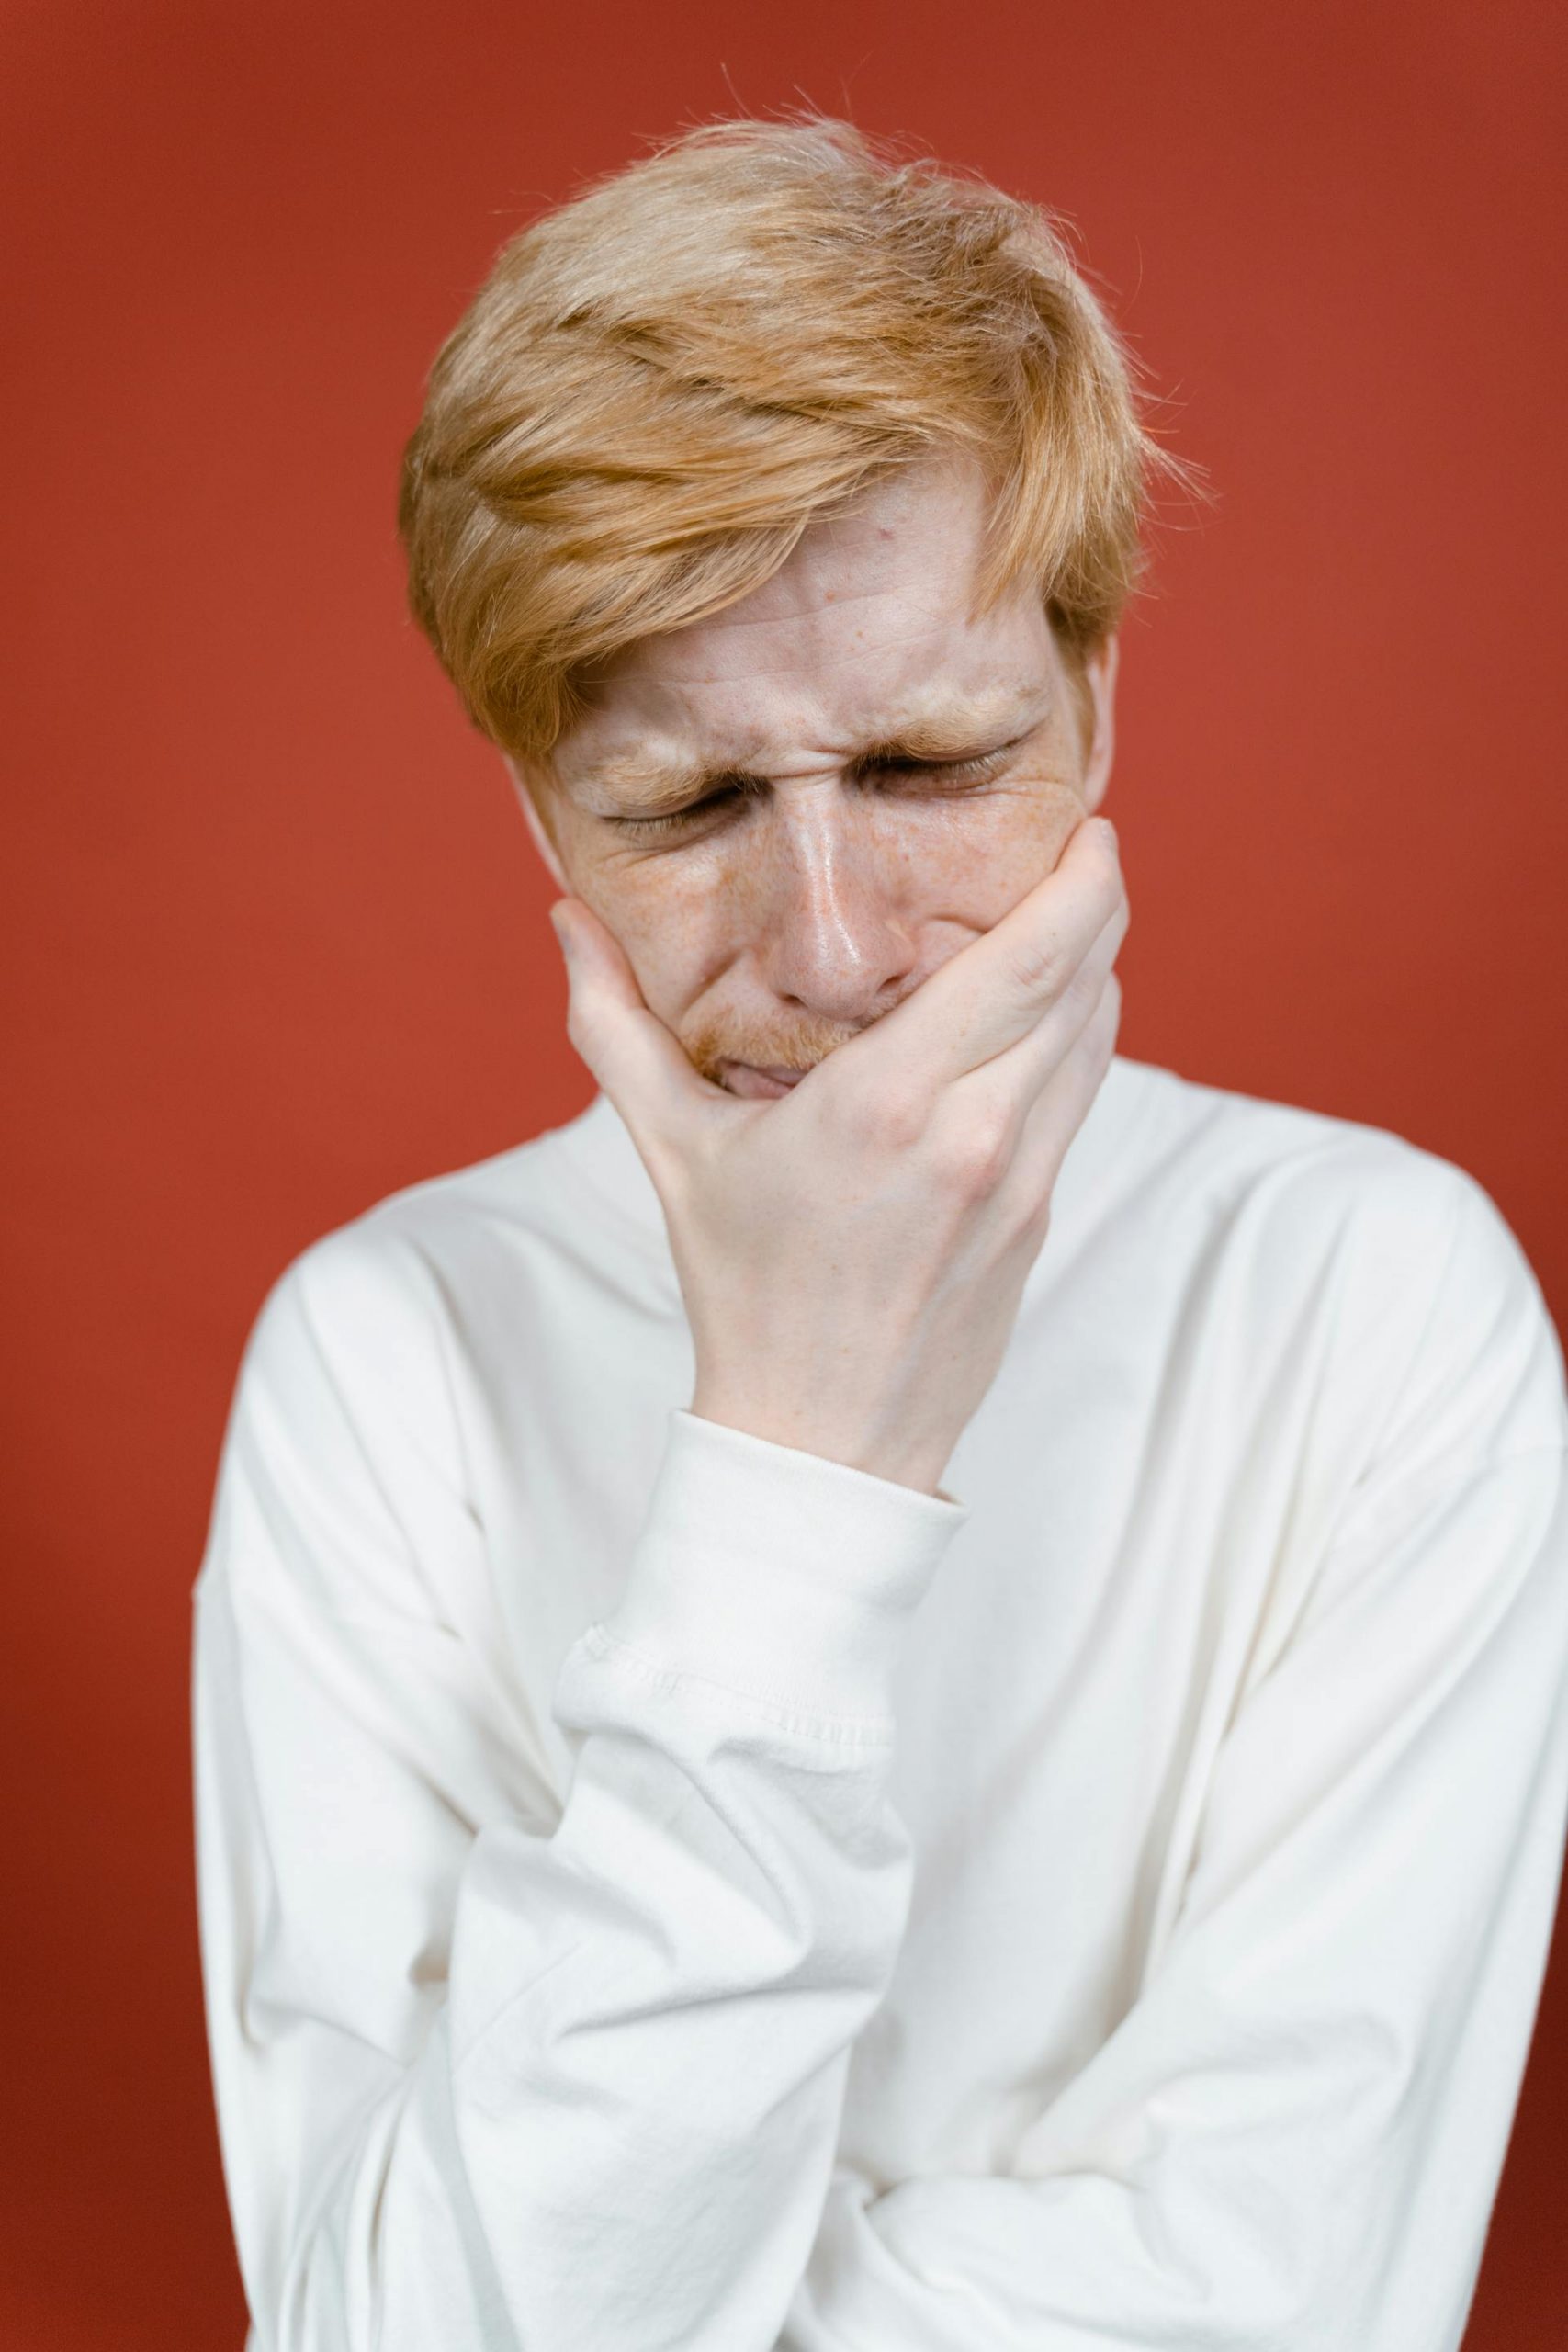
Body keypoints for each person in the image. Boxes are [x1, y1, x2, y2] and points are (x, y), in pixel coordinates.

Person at [191, 116, 1568, 2351]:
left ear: (1091, 702)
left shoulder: (1376, 1303)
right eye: (689, 803)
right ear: (541, 807)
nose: (835, 954)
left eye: (928, 764)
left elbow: (1283, 2306)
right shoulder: (385, 1356)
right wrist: (796, 1457)